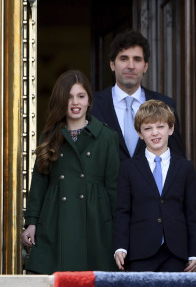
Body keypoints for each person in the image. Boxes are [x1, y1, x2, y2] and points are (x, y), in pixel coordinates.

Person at [21, 70, 120, 273]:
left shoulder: (107, 137)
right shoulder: (49, 136)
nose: (75, 102)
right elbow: (39, 182)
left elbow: (114, 188)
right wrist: (31, 222)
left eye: (81, 96)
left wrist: (118, 232)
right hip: (55, 220)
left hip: (95, 221)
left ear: (89, 101)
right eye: (69, 97)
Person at [113, 100, 196, 272]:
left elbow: (192, 214)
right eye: (148, 128)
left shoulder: (185, 167)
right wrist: (120, 246)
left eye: (160, 127)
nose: (155, 133)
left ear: (171, 129)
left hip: (175, 252)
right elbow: (122, 211)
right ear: (139, 133)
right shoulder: (129, 168)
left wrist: (195, 253)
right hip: (140, 251)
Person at [90, 30, 185, 162]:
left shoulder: (166, 105)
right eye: (124, 59)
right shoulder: (92, 105)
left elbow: (177, 161)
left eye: (137, 59)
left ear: (145, 66)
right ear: (112, 64)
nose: (131, 66)